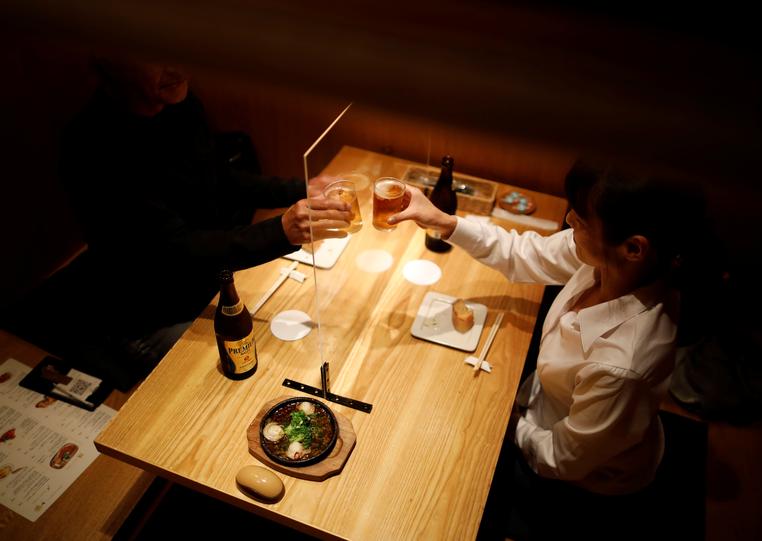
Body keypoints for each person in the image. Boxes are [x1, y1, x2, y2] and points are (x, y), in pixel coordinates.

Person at [389, 160, 706, 539]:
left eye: (582, 219)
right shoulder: (614, 263)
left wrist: (503, 422)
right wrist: (445, 221)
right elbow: (527, 254)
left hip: (582, 487)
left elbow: (564, 458)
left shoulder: (624, 364)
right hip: (545, 408)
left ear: (634, 247)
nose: (569, 219)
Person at [50, 56, 352, 389]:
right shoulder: (93, 148)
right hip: (151, 313)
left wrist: (300, 188)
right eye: (154, 53)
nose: (178, 66)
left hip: (210, 280)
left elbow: (219, 177)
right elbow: (175, 249)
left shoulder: (180, 104)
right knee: (255, 382)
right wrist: (282, 231)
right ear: (110, 62)